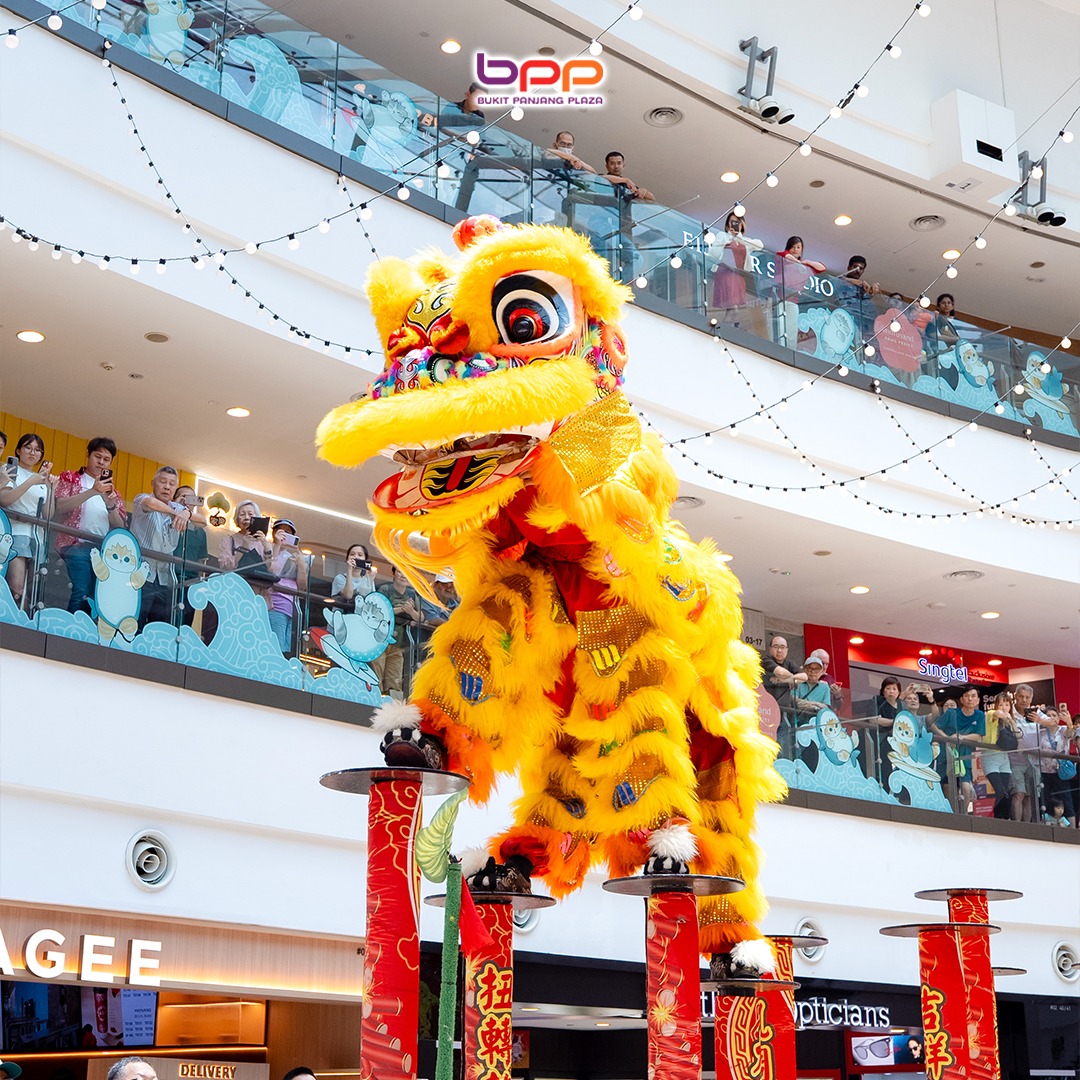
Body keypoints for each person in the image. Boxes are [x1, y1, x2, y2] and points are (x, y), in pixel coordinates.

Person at [53, 436, 128, 615]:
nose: (101, 462)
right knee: (81, 590)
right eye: (98, 456)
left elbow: (121, 528)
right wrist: (93, 492)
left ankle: (87, 631)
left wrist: (110, 505)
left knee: (97, 596)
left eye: (106, 459)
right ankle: (72, 629)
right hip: (74, 543)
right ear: (88, 455)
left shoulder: (113, 492)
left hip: (103, 550)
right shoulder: (70, 477)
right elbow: (61, 506)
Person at [128, 465, 192, 628]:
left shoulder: (179, 509)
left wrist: (187, 513)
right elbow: (150, 503)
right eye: (163, 482)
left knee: (160, 630)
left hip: (165, 579)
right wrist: (177, 513)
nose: (167, 487)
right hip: (141, 576)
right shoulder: (141, 498)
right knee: (135, 625)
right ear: (153, 483)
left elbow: (203, 521)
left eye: (172, 484)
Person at [0, 433, 56, 610]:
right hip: (15, 532)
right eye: (28, 448)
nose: (33, 453)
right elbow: (5, 499)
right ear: (18, 450)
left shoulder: (41, 479)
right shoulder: (9, 469)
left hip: (37, 538)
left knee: (29, 589)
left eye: (38, 450)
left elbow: (48, 515)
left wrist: (50, 488)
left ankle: (20, 623)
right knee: (16, 587)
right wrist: (31, 482)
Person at [931, 685, 985, 813]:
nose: (970, 699)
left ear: (977, 700)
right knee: (948, 789)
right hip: (947, 758)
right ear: (961, 699)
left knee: (966, 788)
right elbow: (934, 726)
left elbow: (978, 736)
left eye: (973, 696)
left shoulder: (979, 715)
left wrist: (961, 737)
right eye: (966, 696)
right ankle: (950, 815)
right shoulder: (951, 713)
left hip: (964, 760)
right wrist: (948, 739)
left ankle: (963, 815)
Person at [374, 565, 422, 698]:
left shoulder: (412, 594)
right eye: (400, 571)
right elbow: (379, 611)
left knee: (394, 679)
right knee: (377, 674)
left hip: (399, 645)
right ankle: (373, 700)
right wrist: (402, 609)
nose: (403, 575)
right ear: (393, 573)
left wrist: (411, 611)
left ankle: (392, 704)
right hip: (381, 641)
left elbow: (421, 617)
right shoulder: (385, 589)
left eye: (406, 572)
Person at [711, 211, 765, 331]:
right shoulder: (722, 236)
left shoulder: (744, 240)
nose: (733, 224)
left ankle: (725, 329)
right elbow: (713, 253)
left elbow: (760, 245)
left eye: (737, 222)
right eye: (731, 222)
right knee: (733, 308)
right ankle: (724, 330)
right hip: (726, 273)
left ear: (742, 225)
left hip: (739, 276)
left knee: (734, 309)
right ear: (727, 224)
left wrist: (739, 237)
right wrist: (729, 238)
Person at [172, 484, 213, 635]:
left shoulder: (200, 531)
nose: (186, 501)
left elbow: (202, 561)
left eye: (190, 498)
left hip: (190, 583)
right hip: (169, 577)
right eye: (182, 496)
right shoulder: (168, 520)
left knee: (184, 624)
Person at [775, 236, 826, 348]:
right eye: (793, 247)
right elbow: (784, 255)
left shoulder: (803, 267)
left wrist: (806, 262)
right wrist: (800, 263)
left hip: (793, 300)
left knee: (792, 329)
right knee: (779, 327)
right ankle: (779, 348)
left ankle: (790, 350)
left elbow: (822, 268)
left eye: (798, 247)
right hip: (779, 298)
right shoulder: (782, 258)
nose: (795, 249)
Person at [267, 518, 309, 654]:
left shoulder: (293, 556)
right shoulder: (267, 549)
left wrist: (301, 565)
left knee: (287, 649)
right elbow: (270, 571)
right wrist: (277, 545)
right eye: (281, 531)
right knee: (276, 647)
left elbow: (302, 586)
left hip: (292, 609)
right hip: (275, 605)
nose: (284, 534)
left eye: (288, 532)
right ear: (273, 533)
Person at [760, 635, 806, 756]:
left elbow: (804, 677)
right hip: (766, 714)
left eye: (782, 647)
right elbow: (779, 672)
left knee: (782, 750)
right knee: (768, 747)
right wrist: (792, 679)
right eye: (776, 647)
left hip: (783, 715)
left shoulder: (789, 663)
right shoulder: (766, 660)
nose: (779, 650)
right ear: (770, 649)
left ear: (787, 650)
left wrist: (783, 680)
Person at [981, 691, 1018, 819]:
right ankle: (996, 818)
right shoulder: (991, 714)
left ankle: (1003, 817)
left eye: (1007, 705)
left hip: (1004, 758)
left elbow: (1018, 736)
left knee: (1006, 792)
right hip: (990, 757)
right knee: (1000, 791)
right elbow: (997, 713)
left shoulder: (1009, 722)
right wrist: (1006, 716)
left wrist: (1012, 723)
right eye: (1001, 704)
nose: (1004, 707)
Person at [331, 542, 377, 612]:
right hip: (341, 619)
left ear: (365, 560)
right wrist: (349, 570)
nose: (356, 557)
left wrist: (370, 579)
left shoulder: (368, 579)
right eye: (352, 554)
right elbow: (348, 595)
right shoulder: (340, 578)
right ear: (347, 559)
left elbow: (372, 602)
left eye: (360, 555)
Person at [793, 651, 832, 717]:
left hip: (818, 722)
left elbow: (825, 707)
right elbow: (795, 702)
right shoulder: (798, 683)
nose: (813, 671)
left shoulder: (825, 687)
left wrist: (809, 704)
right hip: (799, 722)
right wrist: (817, 706)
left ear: (822, 671)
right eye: (810, 668)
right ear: (804, 669)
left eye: (816, 669)